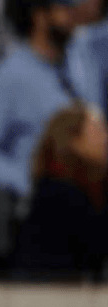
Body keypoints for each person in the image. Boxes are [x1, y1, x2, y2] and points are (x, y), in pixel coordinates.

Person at [0, 0, 88, 198]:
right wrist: (30, 183)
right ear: (40, 16)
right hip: (44, 210)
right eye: (64, 10)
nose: (73, 19)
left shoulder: (78, 62)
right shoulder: (10, 72)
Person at [10, 101, 108, 281]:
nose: (105, 138)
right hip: (48, 296)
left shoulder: (87, 188)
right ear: (72, 141)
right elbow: (96, 244)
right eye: (97, 130)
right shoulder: (59, 193)